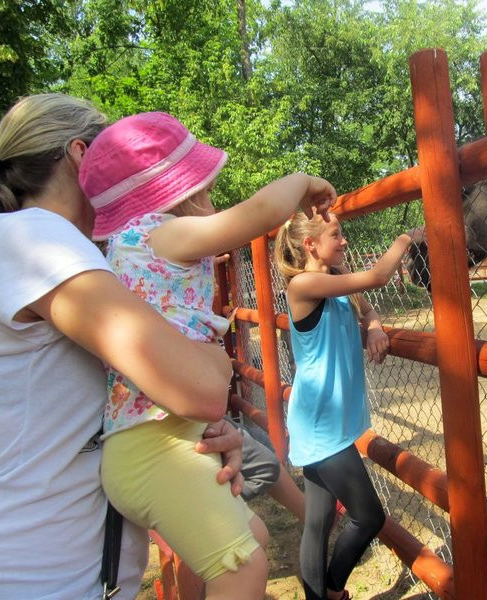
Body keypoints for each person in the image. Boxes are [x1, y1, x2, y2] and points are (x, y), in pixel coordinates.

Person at [0, 93, 246, 600]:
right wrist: (211, 370)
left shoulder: (35, 249)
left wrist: (197, 433)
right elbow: (200, 387)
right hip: (24, 580)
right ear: (82, 156)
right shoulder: (34, 239)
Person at [77, 110, 337, 600]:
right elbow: (256, 216)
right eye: (206, 190)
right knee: (241, 568)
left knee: (253, 538)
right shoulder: (159, 233)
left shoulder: (124, 247)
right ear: (179, 195)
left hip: (160, 440)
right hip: (156, 446)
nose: (213, 202)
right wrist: (302, 181)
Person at [274, 211, 412, 600]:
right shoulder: (303, 285)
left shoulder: (335, 278)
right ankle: (333, 592)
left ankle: (323, 597)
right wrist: (405, 238)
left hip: (328, 420)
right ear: (310, 244)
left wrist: (374, 326)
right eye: (336, 235)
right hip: (320, 422)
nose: (344, 241)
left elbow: (366, 306)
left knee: (318, 523)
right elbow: (378, 277)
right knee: (368, 517)